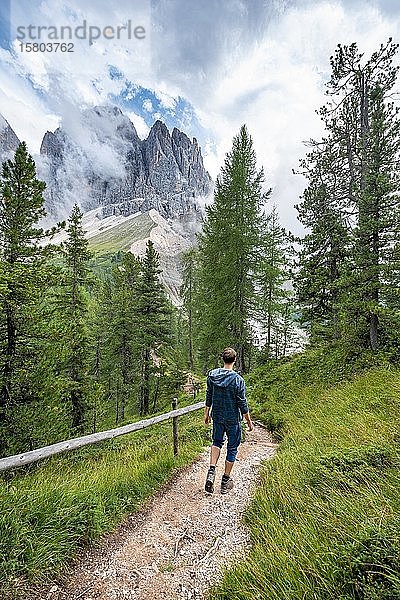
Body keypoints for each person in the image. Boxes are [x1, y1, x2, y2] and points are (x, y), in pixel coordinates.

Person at [204, 347, 253, 494]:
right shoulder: (238, 380)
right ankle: (225, 481)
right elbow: (242, 404)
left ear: (222, 359)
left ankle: (211, 471)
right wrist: (249, 422)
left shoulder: (212, 376)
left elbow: (209, 396)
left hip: (217, 417)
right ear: (235, 360)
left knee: (216, 442)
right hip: (233, 419)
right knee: (232, 448)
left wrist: (206, 414)